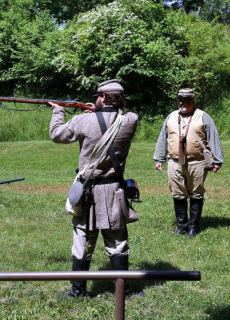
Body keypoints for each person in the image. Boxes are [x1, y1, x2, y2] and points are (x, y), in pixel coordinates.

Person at [49, 79, 139, 298]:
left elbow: (57, 135)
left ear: (102, 97)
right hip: (114, 192)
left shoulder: (83, 120)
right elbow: (119, 115)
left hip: (89, 193)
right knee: (117, 242)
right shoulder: (130, 120)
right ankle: (123, 291)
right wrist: (100, 110)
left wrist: (59, 111)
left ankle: (78, 291)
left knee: (83, 241)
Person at [153, 88, 224, 238]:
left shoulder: (203, 116)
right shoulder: (171, 116)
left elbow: (213, 138)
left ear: (193, 101)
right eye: (180, 100)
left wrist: (217, 161)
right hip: (174, 162)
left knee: (196, 193)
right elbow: (162, 137)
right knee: (178, 193)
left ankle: (193, 227)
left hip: (197, 162)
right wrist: (159, 158)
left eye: (186, 100)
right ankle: (182, 225)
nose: (182, 103)